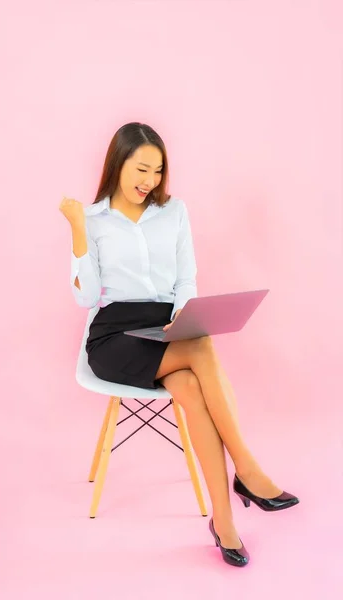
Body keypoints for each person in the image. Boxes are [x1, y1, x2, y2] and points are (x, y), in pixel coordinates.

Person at [59, 122, 299, 568]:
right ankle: (247, 471)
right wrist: (77, 229)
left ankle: (224, 523)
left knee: (190, 383)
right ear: (118, 164)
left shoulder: (174, 212)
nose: (149, 181)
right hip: (114, 334)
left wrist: (182, 317)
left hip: (165, 323)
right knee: (202, 347)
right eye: (141, 169)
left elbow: (186, 278)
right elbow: (86, 298)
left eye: (157, 171)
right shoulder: (92, 219)